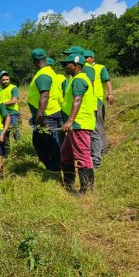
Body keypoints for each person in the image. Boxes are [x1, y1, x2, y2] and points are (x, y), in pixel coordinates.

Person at [59, 52, 97, 194]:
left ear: (75, 65)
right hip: (75, 124)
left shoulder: (79, 80)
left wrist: (69, 121)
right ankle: (68, 186)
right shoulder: (77, 79)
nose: (65, 66)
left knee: (82, 156)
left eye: (67, 64)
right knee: (66, 154)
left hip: (79, 124)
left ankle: (86, 190)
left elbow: (77, 100)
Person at [28, 49, 64, 177]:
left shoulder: (43, 74)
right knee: (39, 142)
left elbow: (44, 95)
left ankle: (55, 171)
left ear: (34, 61)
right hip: (47, 114)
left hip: (47, 115)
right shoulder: (49, 71)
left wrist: (39, 115)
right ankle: (52, 167)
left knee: (50, 144)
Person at [84, 49, 115, 167]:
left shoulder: (100, 68)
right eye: (84, 57)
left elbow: (107, 81)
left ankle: (103, 149)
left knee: (98, 124)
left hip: (97, 99)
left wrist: (110, 93)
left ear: (93, 58)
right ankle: (93, 149)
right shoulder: (82, 69)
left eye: (88, 57)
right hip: (86, 100)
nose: (86, 59)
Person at [0, 71, 21, 142]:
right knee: (5, 132)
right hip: (3, 114)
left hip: (12, 112)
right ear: (0, 80)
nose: (5, 81)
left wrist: (1, 105)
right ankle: (7, 149)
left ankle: (19, 146)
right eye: (3, 80)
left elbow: (13, 101)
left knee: (15, 131)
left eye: (7, 79)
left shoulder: (13, 88)